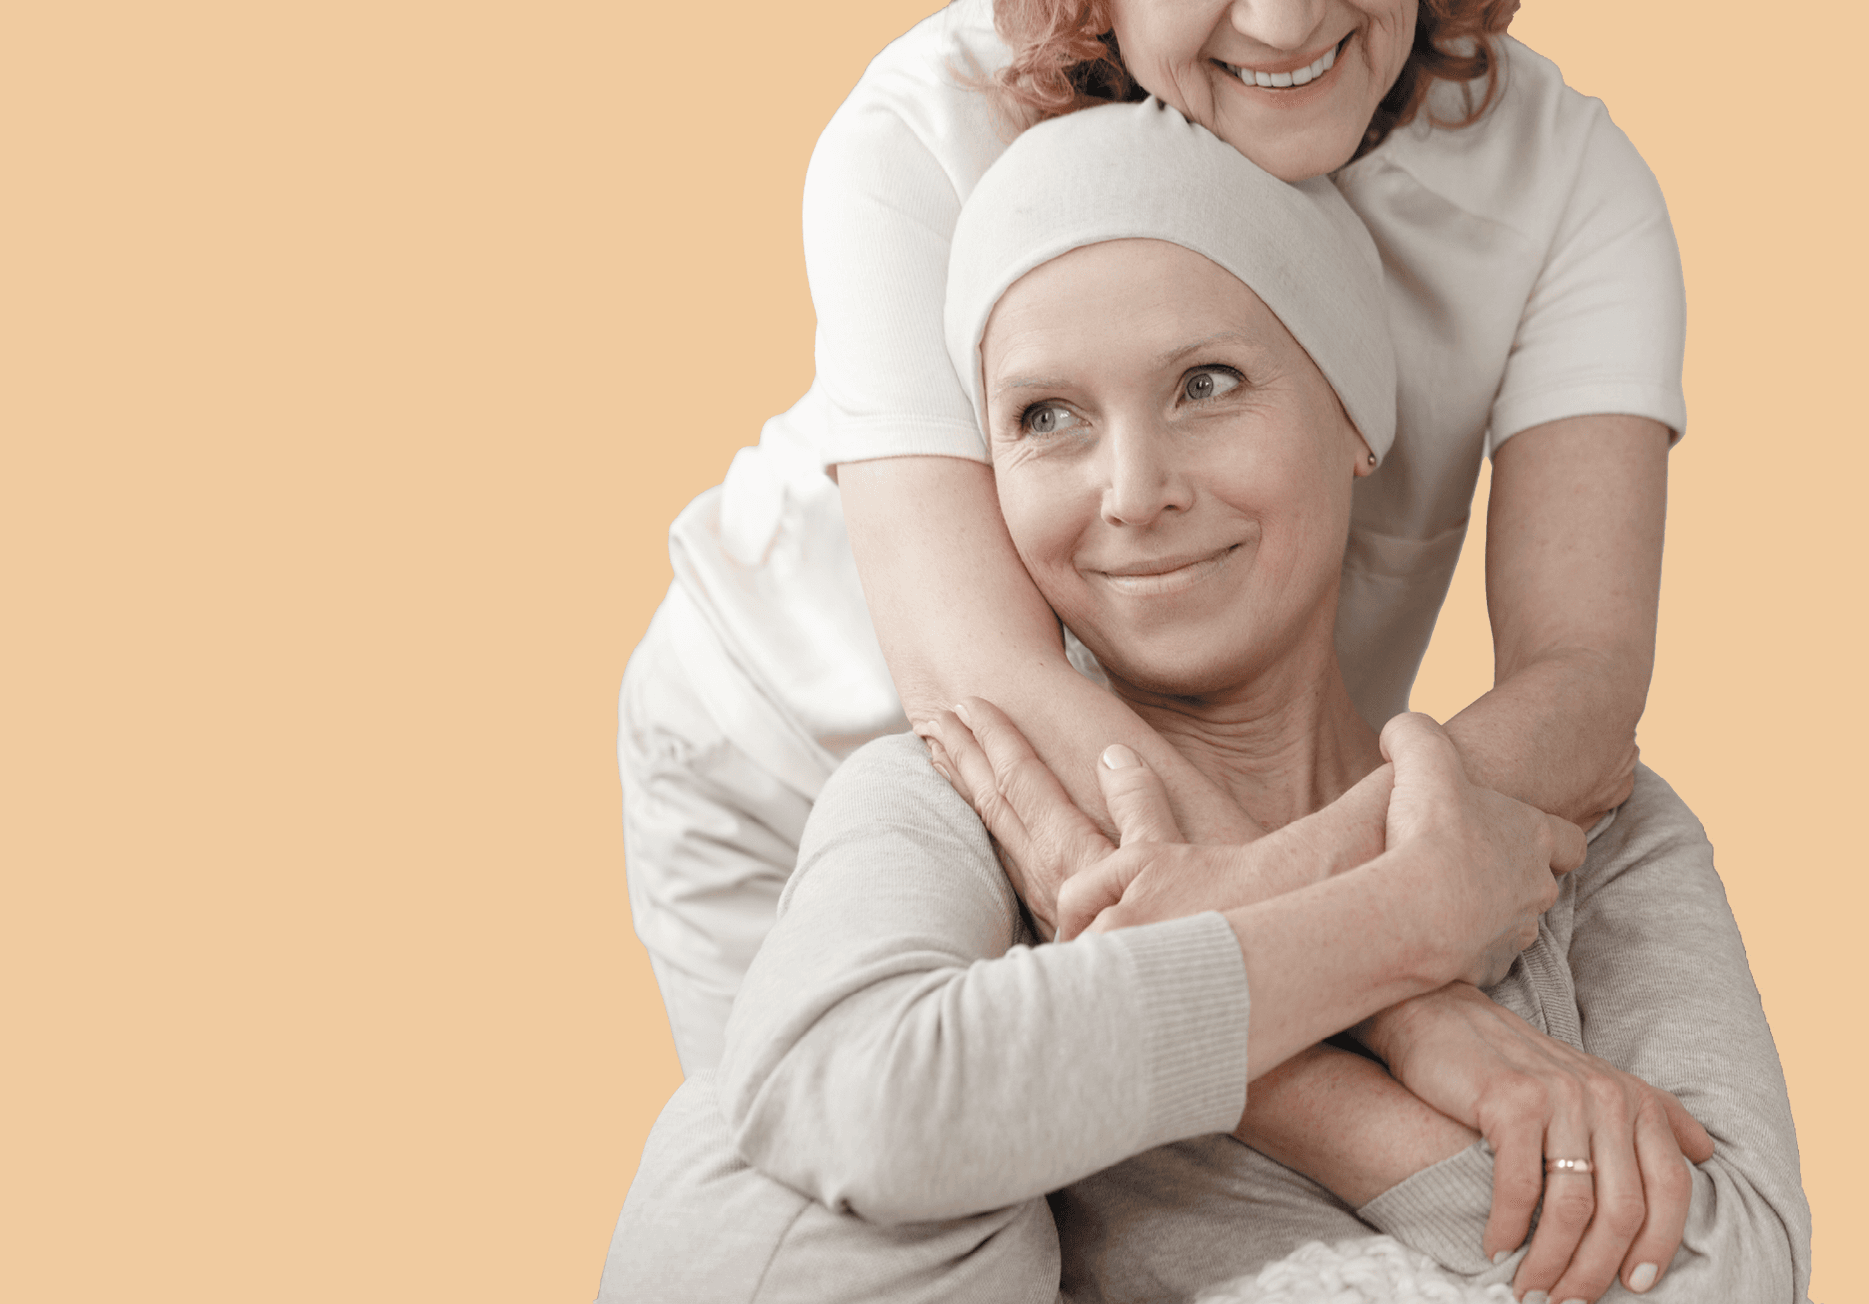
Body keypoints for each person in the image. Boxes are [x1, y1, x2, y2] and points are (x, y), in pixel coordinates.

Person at [600, 103, 1808, 1304]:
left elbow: (1735, 1270)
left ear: (1355, 421)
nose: (1132, 491)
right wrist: (1394, 942)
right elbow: (845, 1100)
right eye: (1045, 418)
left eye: (1207, 383)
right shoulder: (961, 795)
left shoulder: (1600, 824)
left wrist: (1231, 1042)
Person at [620, 0, 1685, 1079]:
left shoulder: (1568, 185)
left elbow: (1584, 672)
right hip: (810, 754)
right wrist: (1398, 964)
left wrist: (1297, 897)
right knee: (881, 1196)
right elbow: (984, 688)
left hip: (1198, 813)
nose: (1285, 20)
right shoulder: (923, 129)